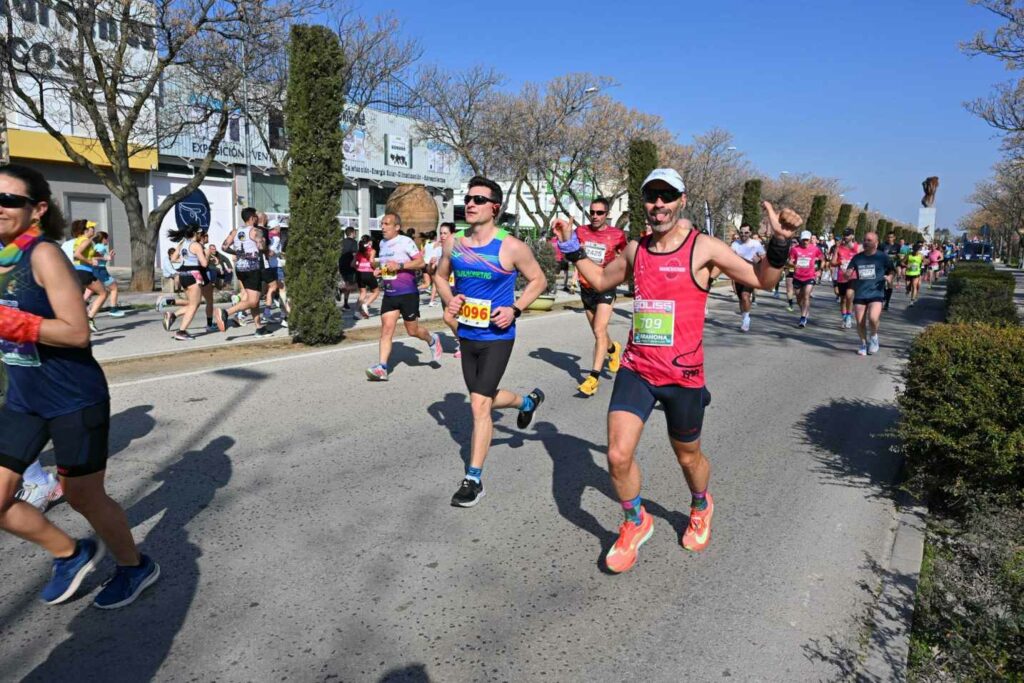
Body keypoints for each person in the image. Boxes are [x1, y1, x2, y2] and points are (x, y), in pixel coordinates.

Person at [552, 168, 802, 573]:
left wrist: (779, 243)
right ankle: (636, 521)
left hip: (683, 376)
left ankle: (701, 505)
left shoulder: (704, 248)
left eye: (667, 197)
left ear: (681, 200)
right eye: (652, 197)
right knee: (617, 455)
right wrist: (569, 244)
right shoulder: (636, 250)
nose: (658, 205)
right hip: (638, 367)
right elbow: (598, 278)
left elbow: (763, 280)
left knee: (688, 458)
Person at [0, 163, 159, 608]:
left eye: (9, 200)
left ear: (37, 210)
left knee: (81, 496)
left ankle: (135, 566)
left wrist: (14, 322)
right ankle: (69, 554)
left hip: (73, 398)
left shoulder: (44, 255)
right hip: (23, 399)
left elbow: (76, 332)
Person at [433, 176, 548, 507]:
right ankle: (526, 403)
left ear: (494, 207)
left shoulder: (510, 246)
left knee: (479, 405)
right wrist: (450, 300)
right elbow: (440, 277)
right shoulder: (454, 243)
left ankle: (474, 479)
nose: (470, 203)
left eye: (478, 199)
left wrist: (515, 308)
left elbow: (538, 279)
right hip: (466, 333)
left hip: (498, 335)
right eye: (468, 198)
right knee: (482, 398)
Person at [365, 212, 442, 380]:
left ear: (397, 227)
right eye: (382, 223)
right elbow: (389, 267)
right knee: (386, 330)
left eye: (386, 224)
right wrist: (381, 271)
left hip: (408, 293)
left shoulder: (405, 241)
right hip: (390, 294)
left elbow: (420, 263)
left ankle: (432, 340)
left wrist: (399, 265)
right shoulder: (383, 243)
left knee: (412, 330)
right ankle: (382, 367)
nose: (382, 227)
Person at [574, 197, 627, 396]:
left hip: (606, 286)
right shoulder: (580, 232)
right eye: (592, 212)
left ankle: (593, 378)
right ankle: (613, 349)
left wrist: (620, 274)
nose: (595, 216)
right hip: (586, 288)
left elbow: (626, 256)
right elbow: (574, 252)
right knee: (600, 332)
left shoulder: (617, 235)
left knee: (598, 330)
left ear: (607, 214)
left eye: (599, 213)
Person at [162, 225, 225, 340]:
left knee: (192, 303)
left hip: (183, 274)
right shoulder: (196, 245)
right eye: (201, 234)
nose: (202, 236)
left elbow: (174, 258)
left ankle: (174, 317)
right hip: (194, 275)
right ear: (196, 234)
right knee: (195, 305)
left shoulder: (183, 243)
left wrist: (187, 259)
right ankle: (181, 331)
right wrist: (206, 257)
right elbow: (204, 264)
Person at [844, 232, 894, 356]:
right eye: (865, 240)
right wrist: (847, 273)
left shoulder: (882, 257)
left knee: (873, 318)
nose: (866, 242)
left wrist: (890, 277)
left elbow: (892, 270)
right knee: (860, 322)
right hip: (860, 293)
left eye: (869, 240)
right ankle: (863, 344)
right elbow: (849, 270)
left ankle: (874, 337)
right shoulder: (857, 258)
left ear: (876, 243)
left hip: (876, 292)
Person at [219, 207, 267, 335]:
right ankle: (226, 313)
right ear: (252, 218)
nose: (257, 219)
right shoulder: (256, 231)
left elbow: (224, 247)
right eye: (256, 217)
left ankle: (259, 327)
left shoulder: (235, 231)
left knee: (253, 298)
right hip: (252, 268)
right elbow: (261, 248)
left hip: (240, 268)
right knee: (253, 301)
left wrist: (237, 252)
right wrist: (264, 244)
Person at [69, 220, 108, 332]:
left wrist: (102, 257)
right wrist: (90, 262)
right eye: (92, 228)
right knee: (103, 293)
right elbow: (77, 254)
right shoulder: (87, 241)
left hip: (77, 271)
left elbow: (90, 255)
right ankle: (89, 318)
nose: (94, 230)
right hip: (84, 272)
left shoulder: (79, 240)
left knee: (80, 299)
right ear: (86, 230)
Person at [729, 224, 765, 332]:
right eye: (741, 232)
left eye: (746, 232)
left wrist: (758, 260)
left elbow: (764, 258)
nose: (743, 234)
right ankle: (744, 316)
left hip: (751, 273)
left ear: (750, 233)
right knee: (741, 299)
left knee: (745, 296)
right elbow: (729, 257)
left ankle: (746, 319)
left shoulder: (756, 244)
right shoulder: (735, 244)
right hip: (738, 274)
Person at [789, 229, 823, 327]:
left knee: (806, 295)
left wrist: (819, 270)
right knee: (799, 299)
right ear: (800, 239)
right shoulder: (795, 249)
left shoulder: (815, 249)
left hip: (810, 276)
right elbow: (790, 261)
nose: (805, 242)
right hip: (797, 276)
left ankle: (803, 318)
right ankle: (804, 311)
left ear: (809, 240)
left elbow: (822, 259)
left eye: (807, 240)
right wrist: (793, 265)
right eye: (803, 240)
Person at [832, 228, 862, 328]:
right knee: (843, 299)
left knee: (849, 295)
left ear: (852, 236)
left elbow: (864, 260)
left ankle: (849, 316)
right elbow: (832, 263)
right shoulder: (838, 248)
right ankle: (844, 317)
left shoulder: (858, 248)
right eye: (844, 234)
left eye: (848, 235)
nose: (845, 236)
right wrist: (840, 262)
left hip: (853, 276)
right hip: (841, 277)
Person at [90, 231, 123, 317]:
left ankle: (88, 308)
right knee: (114, 288)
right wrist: (106, 257)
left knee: (95, 291)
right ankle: (113, 309)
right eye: (107, 238)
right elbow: (93, 256)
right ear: (103, 239)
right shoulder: (101, 247)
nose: (108, 240)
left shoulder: (96, 246)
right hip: (100, 271)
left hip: (96, 270)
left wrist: (109, 257)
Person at [354, 235, 379, 319]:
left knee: (362, 293)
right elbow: (372, 261)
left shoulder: (358, 252)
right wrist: (375, 268)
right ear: (369, 242)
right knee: (376, 292)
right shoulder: (372, 251)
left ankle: (356, 312)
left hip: (359, 274)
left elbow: (352, 264)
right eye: (371, 241)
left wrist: (359, 267)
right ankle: (366, 304)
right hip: (368, 273)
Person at [338, 227, 358, 310]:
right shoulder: (354, 242)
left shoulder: (341, 242)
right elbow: (354, 254)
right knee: (354, 285)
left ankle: (345, 304)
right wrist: (356, 264)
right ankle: (341, 291)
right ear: (352, 233)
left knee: (346, 284)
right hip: (350, 266)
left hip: (341, 264)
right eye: (355, 232)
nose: (356, 234)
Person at [881, 233, 901, 311]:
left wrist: (898, 266)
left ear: (894, 238)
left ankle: (887, 302)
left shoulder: (897, 246)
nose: (889, 238)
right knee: (882, 283)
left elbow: (899, 257)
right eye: (888, 237)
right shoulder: (882, 245)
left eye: (891, 237)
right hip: (883, 267)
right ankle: (883, 296)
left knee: (890, 283)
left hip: (892, 267)